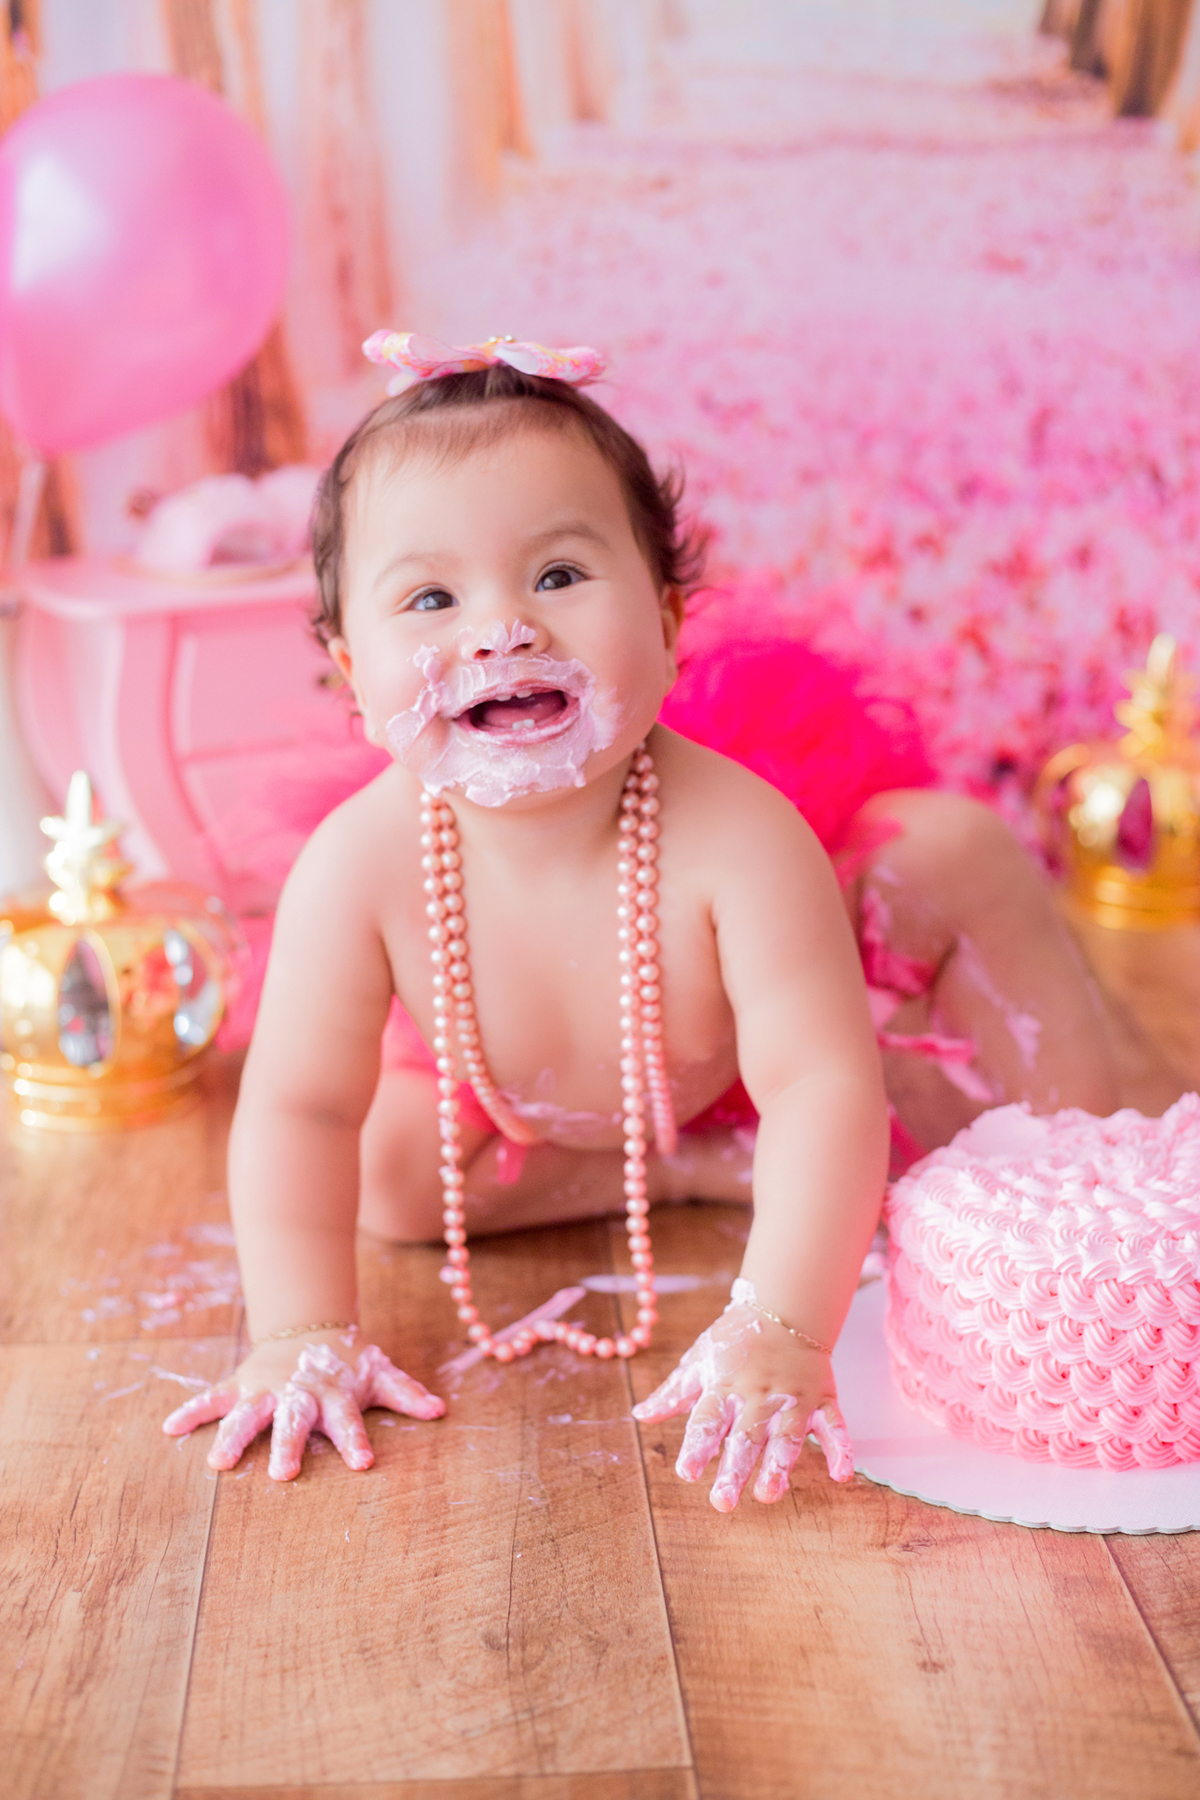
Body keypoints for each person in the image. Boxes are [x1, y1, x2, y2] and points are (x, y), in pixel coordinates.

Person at [163, 335, 1119, 1511]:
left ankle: (1094, 1173)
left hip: (740, 1069)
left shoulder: (737, 838)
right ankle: (702, 1167)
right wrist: (297, 1327)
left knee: (923, 936)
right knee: (387, 1179)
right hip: (530, 1115)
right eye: (431, 598)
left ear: (668, 621)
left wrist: (780, 1325)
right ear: (351, 671)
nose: (502, 629)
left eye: (559, 576)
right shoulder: (358, 866)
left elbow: (820, 1082)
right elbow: (300, 1105)